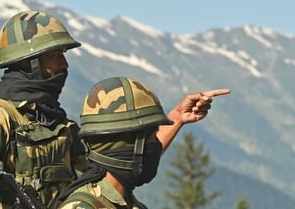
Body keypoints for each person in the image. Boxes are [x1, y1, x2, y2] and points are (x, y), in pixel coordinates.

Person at [0, 11, 88, 209]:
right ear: (30, 62)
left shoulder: (59, 123)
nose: (64, 64)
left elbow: (98, 174)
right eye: (56, 55)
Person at [55, 77, 230, 209]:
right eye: (153, 137)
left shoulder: (123, 202)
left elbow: (139, 153)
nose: (157, 145)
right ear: (127, 147)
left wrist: (178, 117)